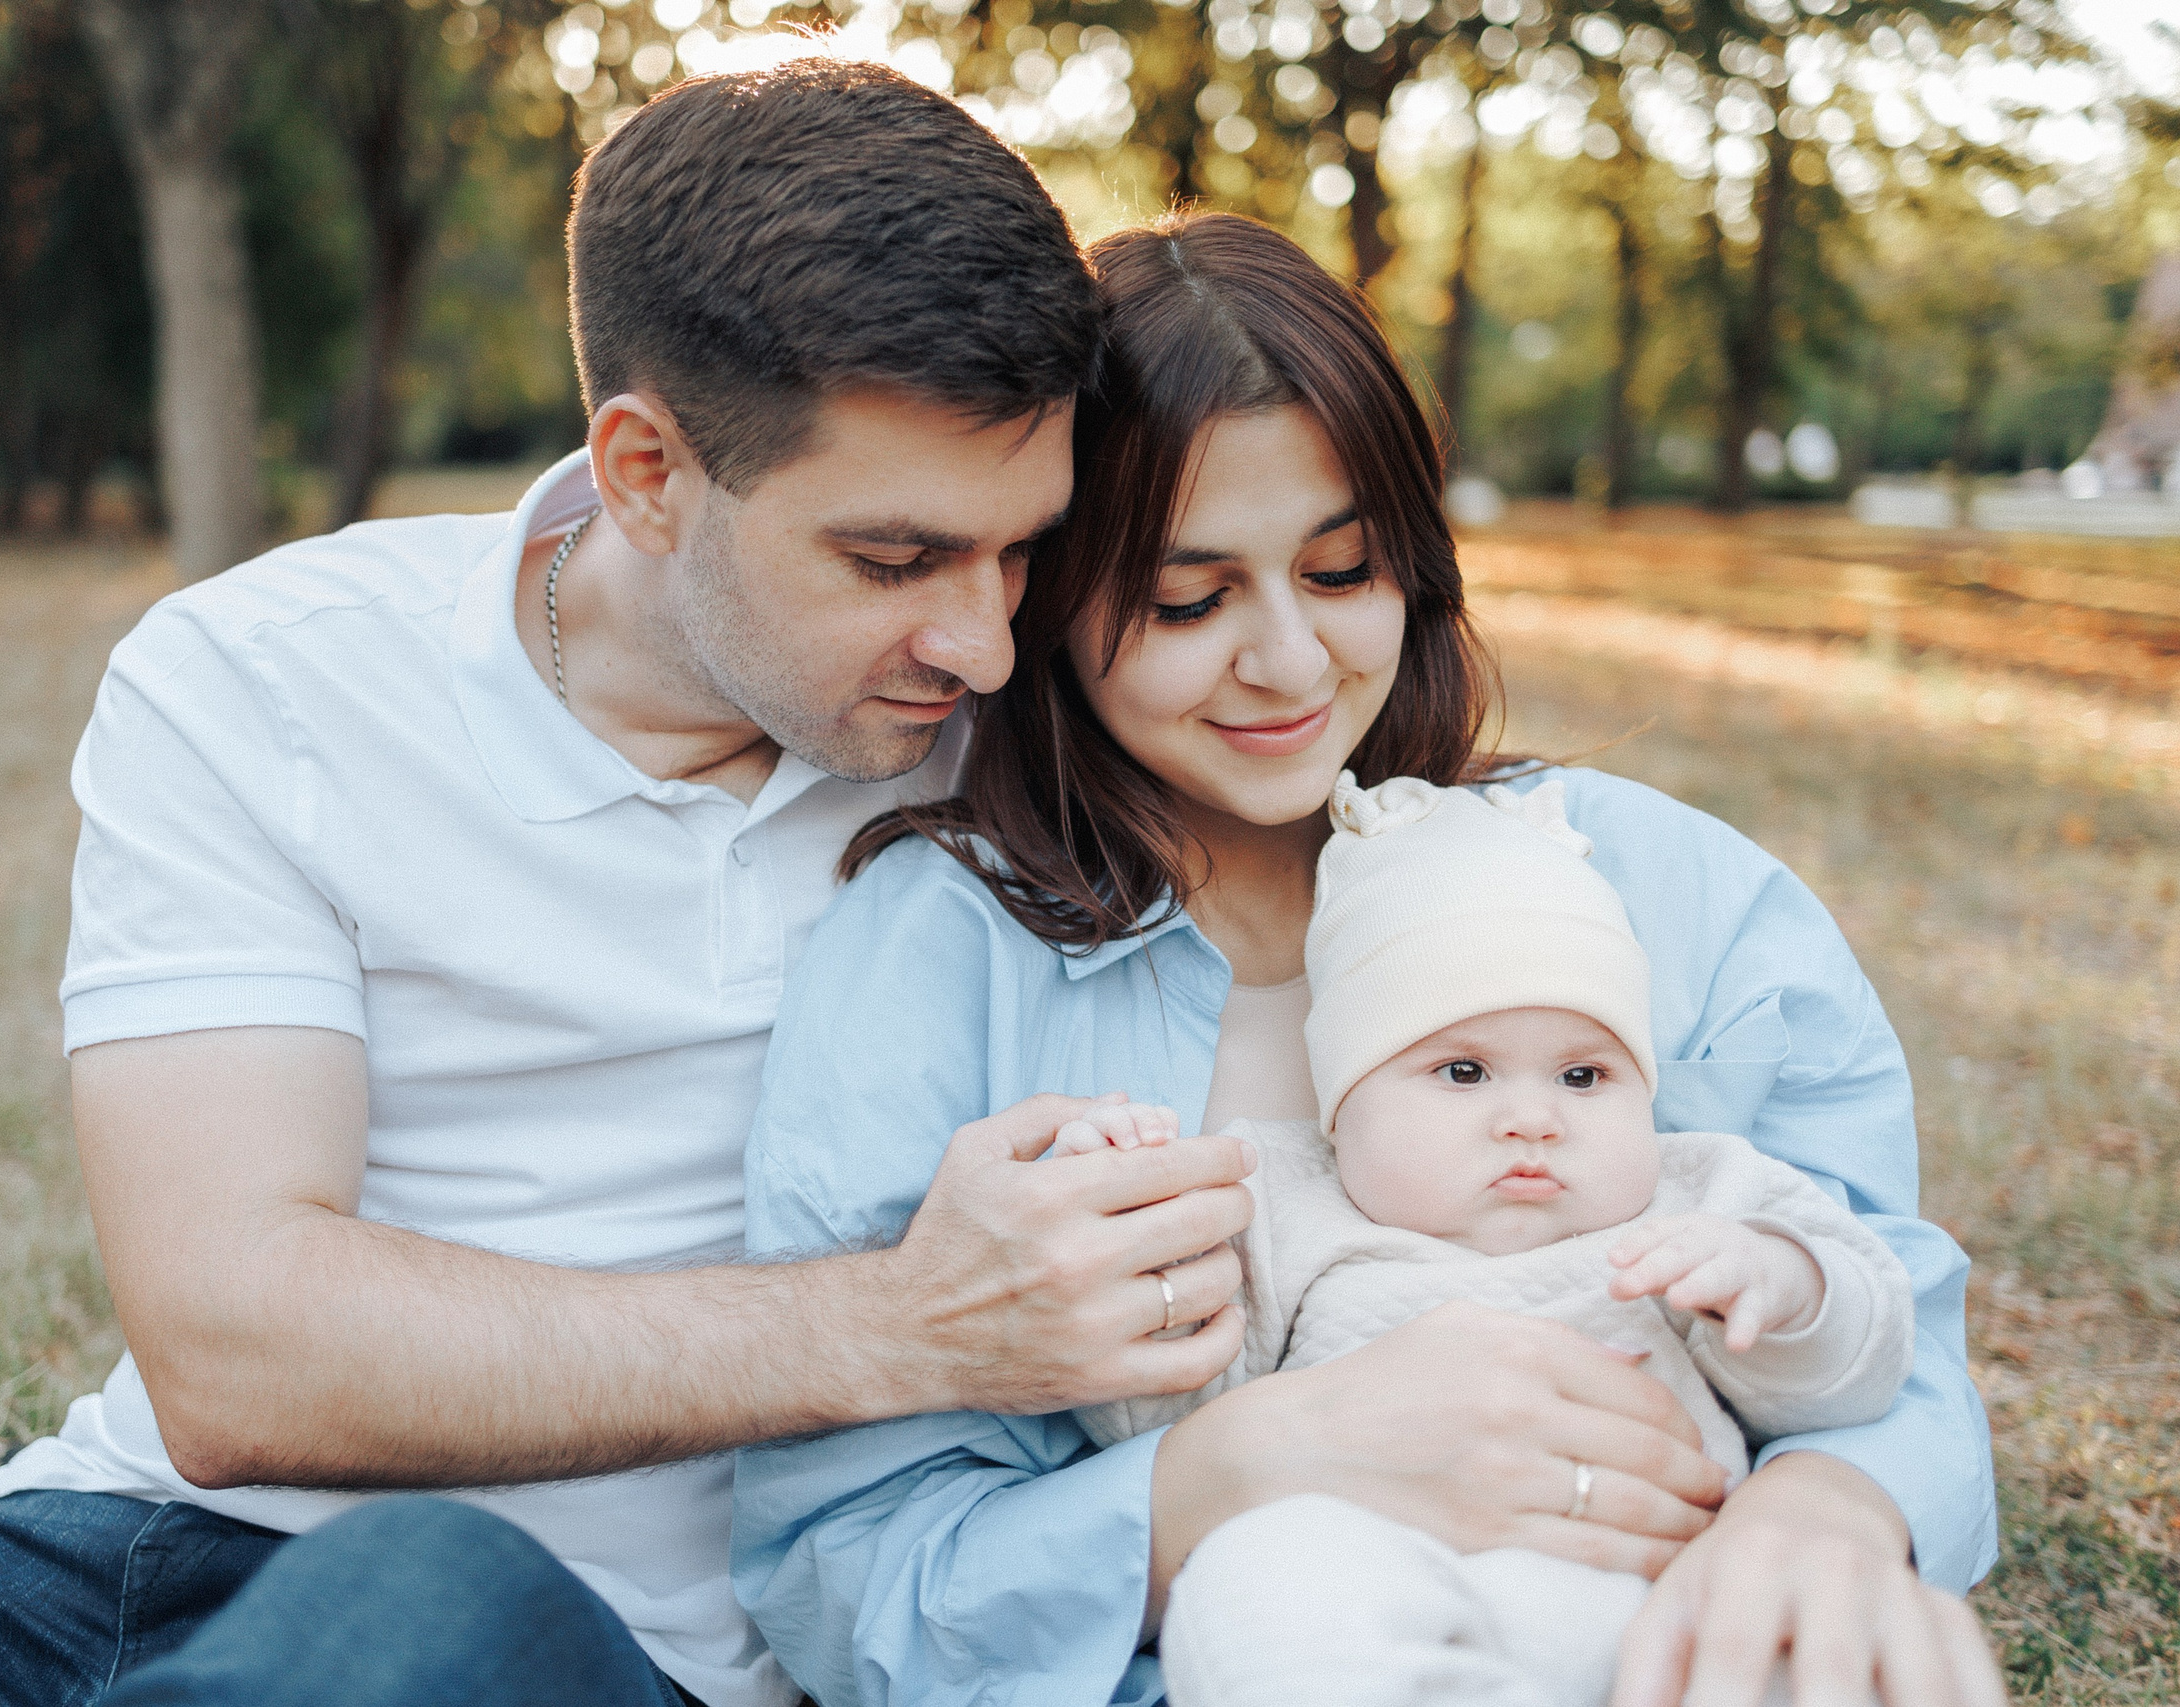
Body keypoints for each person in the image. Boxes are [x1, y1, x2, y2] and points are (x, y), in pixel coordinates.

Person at [0, 62, 1267, 1707]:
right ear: (644, 470)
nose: (982, 639)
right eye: (894, 559)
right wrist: (901, 1329)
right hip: (152, 1551)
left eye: (1023, 547)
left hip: (621, 1650)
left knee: (438, 1591)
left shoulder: (1048, 744)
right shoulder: (266, 679)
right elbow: (232, 1344)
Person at [733, 211, 2003, 1707]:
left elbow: (1890, 1336)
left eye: (1344, 572)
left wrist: (1827, 1509)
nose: (1287, 662)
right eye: (1187, 600)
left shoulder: (1673, 888)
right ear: (1050, 595)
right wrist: (1245, 1466)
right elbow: (850, 1571)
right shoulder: (939, 961)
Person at [1062, 771, 1918, 1707]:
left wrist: (1785, 1281)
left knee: (1805, 1648)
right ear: (1341, 1106)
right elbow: (1147, 1414)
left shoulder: (1697, 1194)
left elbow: (1867, 1352)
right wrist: (1136, 1231)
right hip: (1377, 1565)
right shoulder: (1280, 1202)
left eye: (1584, 1076)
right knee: (1250, 1579)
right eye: (1464, 1071)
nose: (1532, 1117)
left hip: (1654, 1582)